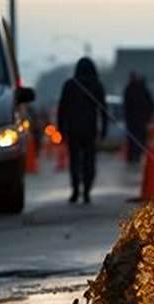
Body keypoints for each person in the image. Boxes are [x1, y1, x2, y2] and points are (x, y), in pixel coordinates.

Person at [57, 57, 107, 204]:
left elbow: (62, 109)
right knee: (89, 161)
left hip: (73, 129)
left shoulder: (70, 85)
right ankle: (87, 190)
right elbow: (103, 109)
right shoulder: (97, 85)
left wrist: (61, 128)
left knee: (74, 160)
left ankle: (75, 190)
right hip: (90, 129)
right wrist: (104, 129)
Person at [123, 72, 154, 165]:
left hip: (133, 120)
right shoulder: (144, 90)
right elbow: (151, 105)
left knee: (133, 138)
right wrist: (149, 116)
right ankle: (136, 156)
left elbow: (126, 106)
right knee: (140, 138)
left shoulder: (129, 89)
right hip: (141, 119)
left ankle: (132, 157)